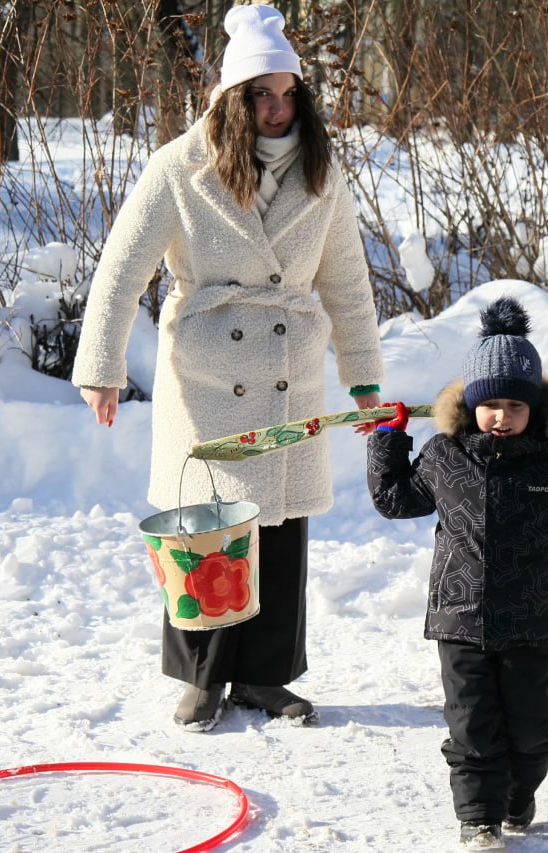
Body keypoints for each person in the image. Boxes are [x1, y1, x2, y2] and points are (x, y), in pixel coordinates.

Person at [71, 4, 385, 732]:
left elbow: (346, 278)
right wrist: (103, 366)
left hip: (289, 373)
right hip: (209, 379)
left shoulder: (322, 169)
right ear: (231, 100)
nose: (277, 109)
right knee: (209, 528)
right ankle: (204, 678)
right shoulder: (180, 167)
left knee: (276, 529)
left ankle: (267, 677)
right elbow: (123, 268)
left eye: (287, 93)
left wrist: (364, 374)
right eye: (260, 95)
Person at [366, 297, 548, 849]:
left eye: (516, 405)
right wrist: (386, 441)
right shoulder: (445, 454)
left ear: (535, 410)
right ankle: (478, 816)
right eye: (491, 405)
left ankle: (518, 797)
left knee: (533, 726)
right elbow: (395, 500)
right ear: (471, 404)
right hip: (459, 617)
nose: (502, 417)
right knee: (471, 724)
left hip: (531, 617)